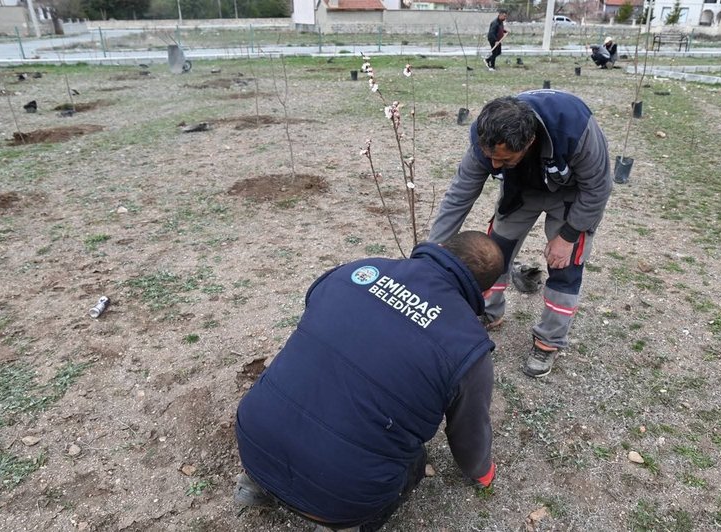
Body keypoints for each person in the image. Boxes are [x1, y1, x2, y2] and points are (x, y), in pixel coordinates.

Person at [234, 231, 504, 532]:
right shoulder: (469, 346)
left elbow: (314, 317)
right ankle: (339, 523)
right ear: (484, 294)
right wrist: (481, 470)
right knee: (414, 463)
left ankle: (255, 482)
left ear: (441, 247)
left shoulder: (357, 270)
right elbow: (468, 430)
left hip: (252, 435)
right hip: (342, 489)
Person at [427, 92, 612, 378]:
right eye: (491, 158)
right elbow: (460, 194)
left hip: (571, 195)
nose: (494, 166)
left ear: (529, 142)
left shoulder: (576, 129)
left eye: (503, 159)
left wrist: (568, 235)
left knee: (565, 265)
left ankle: (548, 341)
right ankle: (489, 311)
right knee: (494, 252)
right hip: (522, 191)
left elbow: (598, 189)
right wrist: (434, 247)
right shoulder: (484, 136)